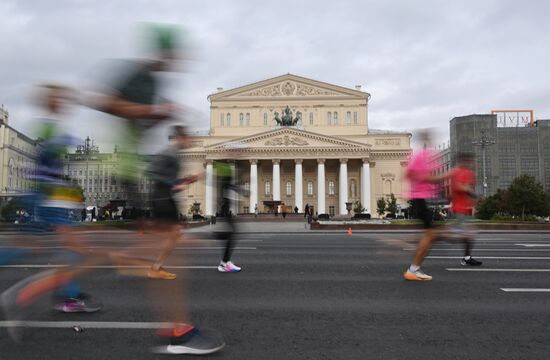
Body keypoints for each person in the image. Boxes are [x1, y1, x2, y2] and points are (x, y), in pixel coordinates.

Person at [147, 125, 200, 279]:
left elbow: (172, 182)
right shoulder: (170, 154)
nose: (189, 140)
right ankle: (154, 267)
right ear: (180, 137)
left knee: (172, 234)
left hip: (165, 196)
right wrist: (174, 184)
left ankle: (156, 266)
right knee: (173, 233)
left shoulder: (173, 154)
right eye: (187, 137)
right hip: (162, 197)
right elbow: (152, 172)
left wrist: (189, 180)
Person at [403, 130, 440, 281]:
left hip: (423, 198)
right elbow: (409, 174)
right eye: (429, 137)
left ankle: (415, 267)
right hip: (420, 198)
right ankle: (413, 269)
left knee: (430, 235)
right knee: (430, 235)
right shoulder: (420, 156)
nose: (431, 140)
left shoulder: (425, 156)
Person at [448, 152, 482, 266]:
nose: (475, 163)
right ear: (466, 161)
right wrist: (473, 194)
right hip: (460, 209)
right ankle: (434, 236)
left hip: (464, 209)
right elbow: (459, 186)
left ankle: (467, 258)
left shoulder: (461, 172)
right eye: (473, 160)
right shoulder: (463, 172)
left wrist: (472, 205)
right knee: (463, 234)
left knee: (468, 234)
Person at [213, 160, 241, 273]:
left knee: (231, 234)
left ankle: (225, 262)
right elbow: (226, 185)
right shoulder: (226, 167)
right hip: (225, 208)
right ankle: (224, 263)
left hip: (226, 207)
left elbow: (228, 186)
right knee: (232, 234)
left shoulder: (228, 167)